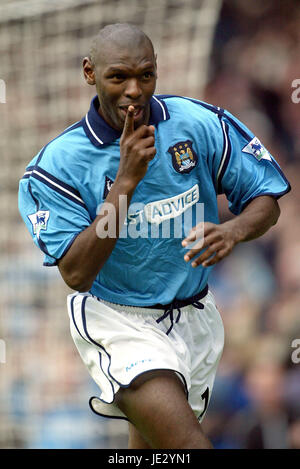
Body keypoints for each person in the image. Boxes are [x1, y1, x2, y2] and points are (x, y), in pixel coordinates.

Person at [18, 23, 291, 449]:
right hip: (119, 320)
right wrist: (124, 182)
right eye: (118, 77)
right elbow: (75, 272)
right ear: (90, 73)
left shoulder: (197, 123)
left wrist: (233, 230)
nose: (133, 90)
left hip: (196, 316)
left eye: (145, 75)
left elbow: (266, 197)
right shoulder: (58, 165)